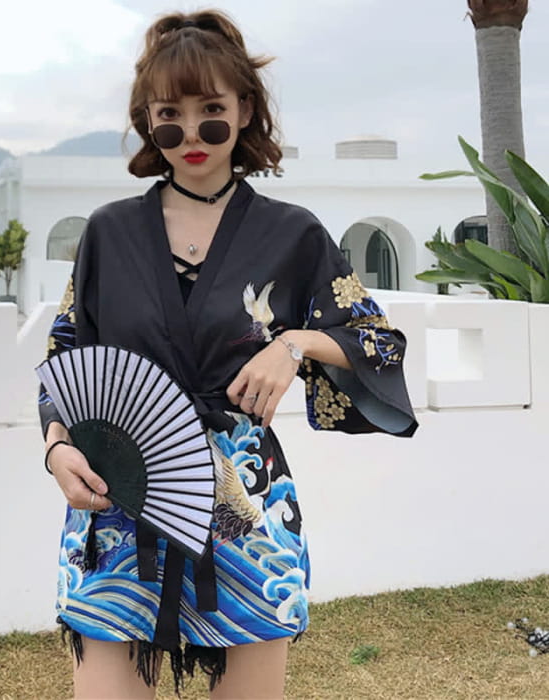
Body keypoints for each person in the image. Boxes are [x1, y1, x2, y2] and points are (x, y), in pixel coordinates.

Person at [38, 9, 417, 699]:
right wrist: (57, 449)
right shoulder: (108, 233)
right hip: (118, 494)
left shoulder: (293, 234)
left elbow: (377, 342)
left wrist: (294, 344)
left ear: (245, 110)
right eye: (169, 115)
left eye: (211, 111)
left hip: (245, 502)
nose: (191, 133)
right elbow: (66, 357)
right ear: (147, 120)